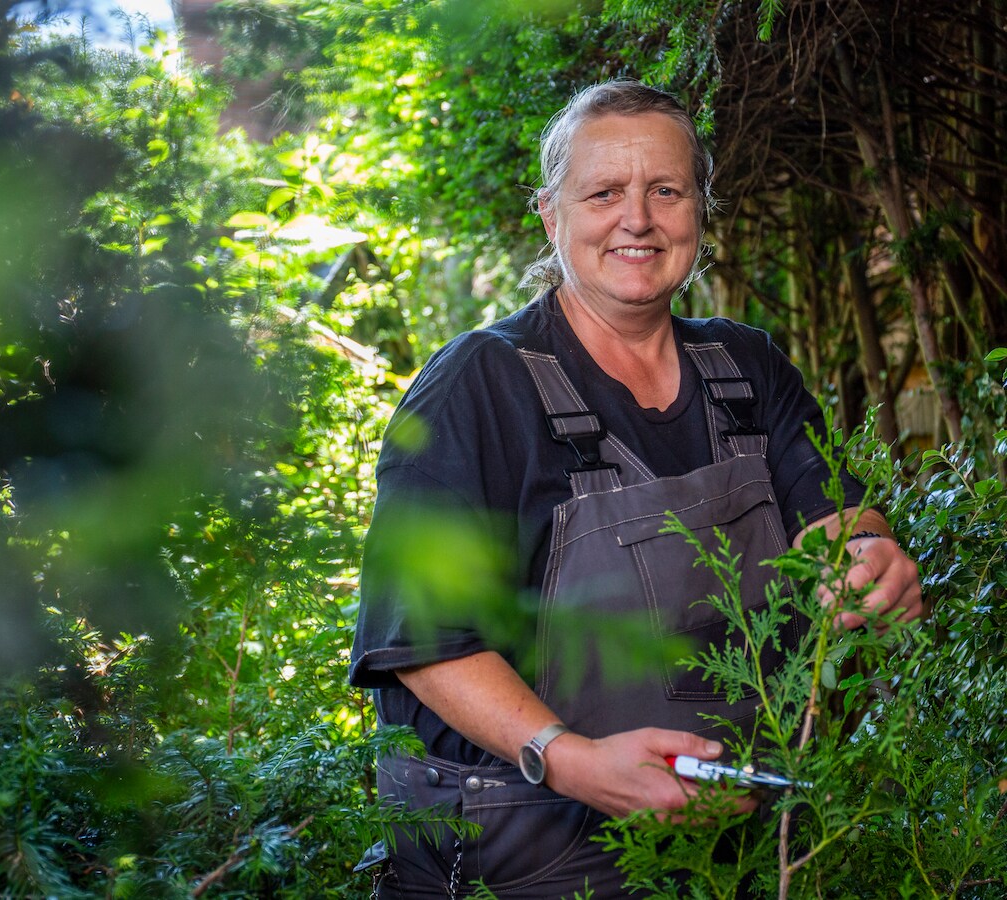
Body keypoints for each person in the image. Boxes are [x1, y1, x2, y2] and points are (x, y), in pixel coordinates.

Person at [349, 79, 923, 898]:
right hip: (530, 850)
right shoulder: (477, 387)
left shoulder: (746, 367)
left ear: (700, 207)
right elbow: (423, 639)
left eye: (666, 190)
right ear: (552, 216)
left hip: (740, 835)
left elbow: (829, 505)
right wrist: (573, 760)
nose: (638, 219)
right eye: (604, 193)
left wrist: (866, 555)